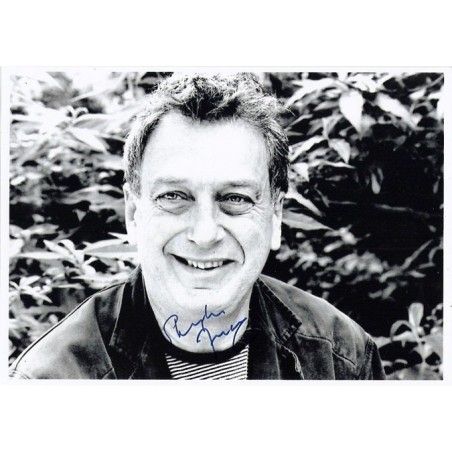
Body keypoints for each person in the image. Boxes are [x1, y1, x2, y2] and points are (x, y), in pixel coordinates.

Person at [9, 73, 385, 380]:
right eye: (174, 196)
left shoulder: (342, 356)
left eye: (235, 198)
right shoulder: (52, 380)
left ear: (275, 217)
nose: (204, 234)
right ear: (133, 214)